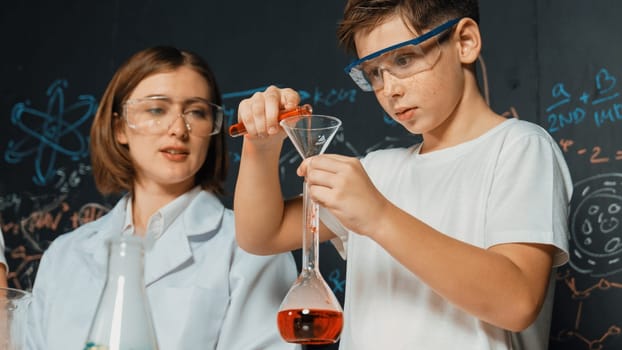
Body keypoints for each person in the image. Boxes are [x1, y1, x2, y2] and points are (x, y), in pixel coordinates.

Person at [232, 1, 573, 349]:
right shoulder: (377, 171)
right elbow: (261, 234)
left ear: (465, 41)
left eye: (404, 60)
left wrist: (378, 216)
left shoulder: (519, 148)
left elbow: (516, 302)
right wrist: (260, 146)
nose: (390, 89)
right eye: (374, 73)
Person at [26, 46, 299, 350]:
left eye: (196, 112)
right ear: (120, 128)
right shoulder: (64, 256)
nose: (178, 129)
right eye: (157, 109)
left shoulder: (255, 249)